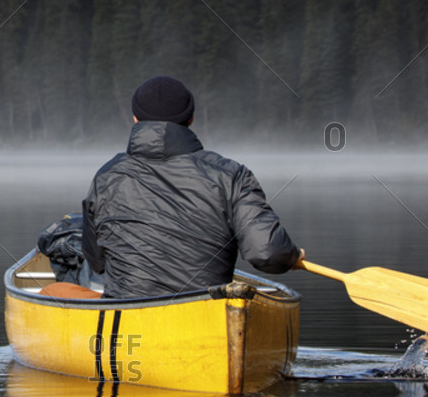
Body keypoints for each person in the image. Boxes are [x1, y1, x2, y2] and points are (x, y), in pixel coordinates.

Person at [81, 75, 303, 299]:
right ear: (191, 119)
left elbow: (97, 262)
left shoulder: (106, 176)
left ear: (135, 119)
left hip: (128, 321)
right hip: (206, 317)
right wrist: (291, 256)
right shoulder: (231, 175)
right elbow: (268, 252)